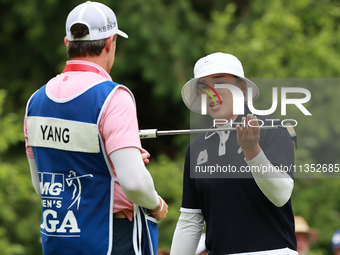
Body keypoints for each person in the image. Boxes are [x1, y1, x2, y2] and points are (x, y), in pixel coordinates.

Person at [24, 2, 168, 255]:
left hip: (58, 239)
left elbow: (41, 185)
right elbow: (134, 183)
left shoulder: (36, 101)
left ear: (67, 43)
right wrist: (155, 205)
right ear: (110, 42)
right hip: (111, 239)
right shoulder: (113, 96)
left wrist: (115, 165)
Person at [170, 52, 297, 255]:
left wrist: (253, 153)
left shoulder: (272, 129)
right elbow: (190, 221)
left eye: (220, 83)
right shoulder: (196, 149)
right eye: (203, 87)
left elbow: (280, 195)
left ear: (242, 88)